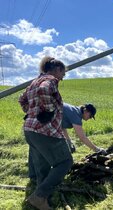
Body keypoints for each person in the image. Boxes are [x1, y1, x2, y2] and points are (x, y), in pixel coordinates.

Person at [19, 56, 72, 210]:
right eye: (63, 73)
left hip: (30, 129)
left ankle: (42, 200)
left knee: (42, 166)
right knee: (65, 162)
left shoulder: (34, 82)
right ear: (58, 70)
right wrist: (48, 111)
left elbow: (21, 99)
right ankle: (39, 196)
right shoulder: (50, 80)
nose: (63, 77)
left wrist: (31, 112)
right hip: (45, 131)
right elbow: (44, 90)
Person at [28, 102, 105, 181]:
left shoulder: (74, 110)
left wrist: (68, 141)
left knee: (35, 148)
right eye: (90, 116)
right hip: (42, 125)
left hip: (33, 124)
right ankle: (45, 180)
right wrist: (97, 149)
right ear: (86, 111)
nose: (89, 118)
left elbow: (62, 126)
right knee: (46, 152)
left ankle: (33, 176)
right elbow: (82, 137)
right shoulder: (76, 115)